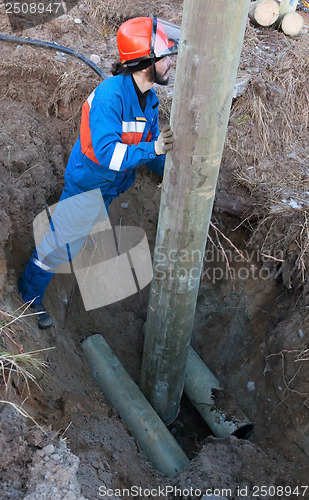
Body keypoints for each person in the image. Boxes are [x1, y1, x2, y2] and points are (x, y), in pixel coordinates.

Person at [18, 16, 178, 329]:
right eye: (165, 57)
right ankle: (27, 297)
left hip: (108, 187)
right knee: (60, 244)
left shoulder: (149, 101)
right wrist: (155, 149)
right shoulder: (110, 98)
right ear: (146, 62)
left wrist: (172, 166)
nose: (170, 63)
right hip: (88, 186)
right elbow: (109, 154)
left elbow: (150, 146)